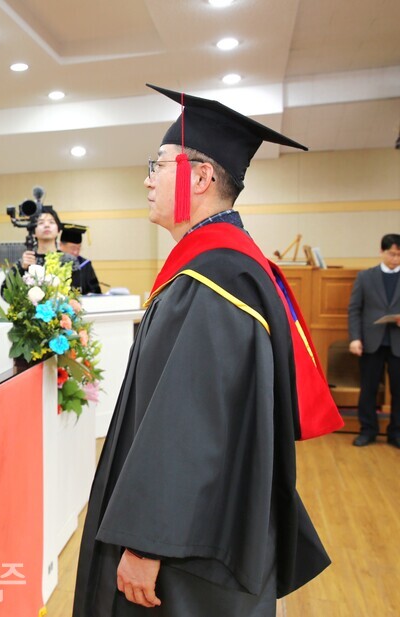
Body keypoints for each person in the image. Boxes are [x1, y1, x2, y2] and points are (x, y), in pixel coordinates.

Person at [73, 84, 341, 616]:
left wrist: (148, 541)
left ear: (199, 177)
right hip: (203, 523)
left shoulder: (215, 275)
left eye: (159, 164)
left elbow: (193, 423)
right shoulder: (222, 264)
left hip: (186, 547)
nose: (147, 178)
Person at [347, 233, 400, 448]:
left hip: (397, 343)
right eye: (392, 254)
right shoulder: (365, 277)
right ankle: (367, 430)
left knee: (399, 391)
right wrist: (355, 338)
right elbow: (354, 310)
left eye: (399, 255)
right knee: (368, 389)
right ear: (382, 251)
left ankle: (396, 433)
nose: (395, 258)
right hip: (371, 342)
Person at [17, 207, 90, 293]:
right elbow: (5, 293)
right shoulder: (26, 260)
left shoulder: (69, 260)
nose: (46, 225)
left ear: (58, 230)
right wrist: (23, 269)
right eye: (41, 222)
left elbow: (76, 293)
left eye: (51, 222)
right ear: (33, 232)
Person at [58, 223, 102, 294]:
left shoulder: (85, 264)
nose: (76, 252)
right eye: (73, 248)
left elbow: (95, 290)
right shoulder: (52, 262)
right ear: (61, 245)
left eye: (79, 248)